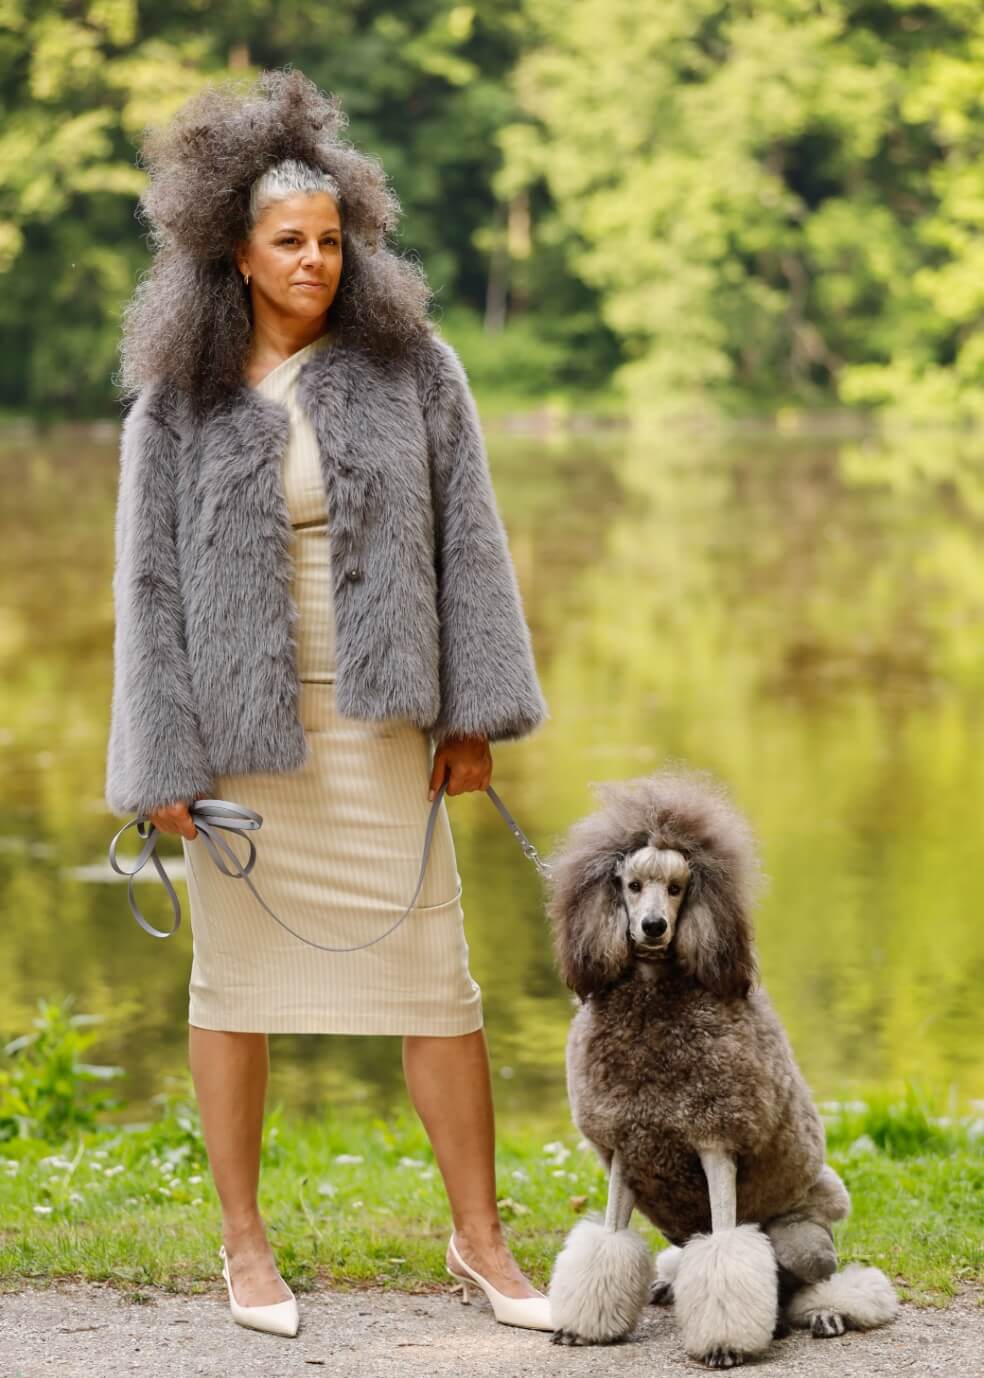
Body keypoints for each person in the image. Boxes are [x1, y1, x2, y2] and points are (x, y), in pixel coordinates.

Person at [105, 69, 551, 1338]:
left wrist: (473, 715)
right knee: (232, 993)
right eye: (290, 242)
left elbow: (471, 544)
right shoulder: (178, 400)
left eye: (332, 240)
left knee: (439, 987)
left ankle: (481, 1240)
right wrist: (161, 762)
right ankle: (244, 1246)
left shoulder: (416, 369)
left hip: (386, 726)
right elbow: (148, 591)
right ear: (236, 255)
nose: (315, 261)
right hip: (241, 747)